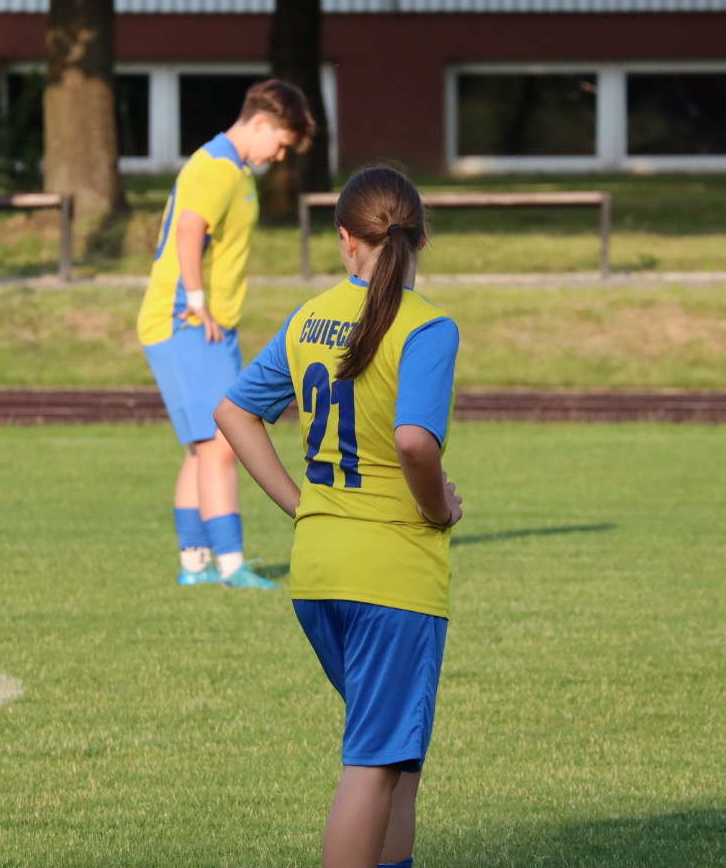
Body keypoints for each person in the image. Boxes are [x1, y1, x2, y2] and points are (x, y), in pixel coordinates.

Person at [214, 166, 463, 868]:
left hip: (320, 571)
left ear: (346, 240)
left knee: (398, 762)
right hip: (391, 576)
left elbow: (233, 412)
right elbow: (414, 442)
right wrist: (439, 507)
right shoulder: (428, 326)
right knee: (375, 762)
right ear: (421, 238)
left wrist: (304, 506)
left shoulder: (309, 318)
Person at [137, 79, 312, 589]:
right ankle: (232, 565)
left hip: (204, 324)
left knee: (204, 445)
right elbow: (189, 229)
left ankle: (195, 564)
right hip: (186, 320)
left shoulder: (232, 168)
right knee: (222, 443)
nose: (279, 156)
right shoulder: (217, 167)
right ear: (261, 122)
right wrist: (196, 301)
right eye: (280, 143)